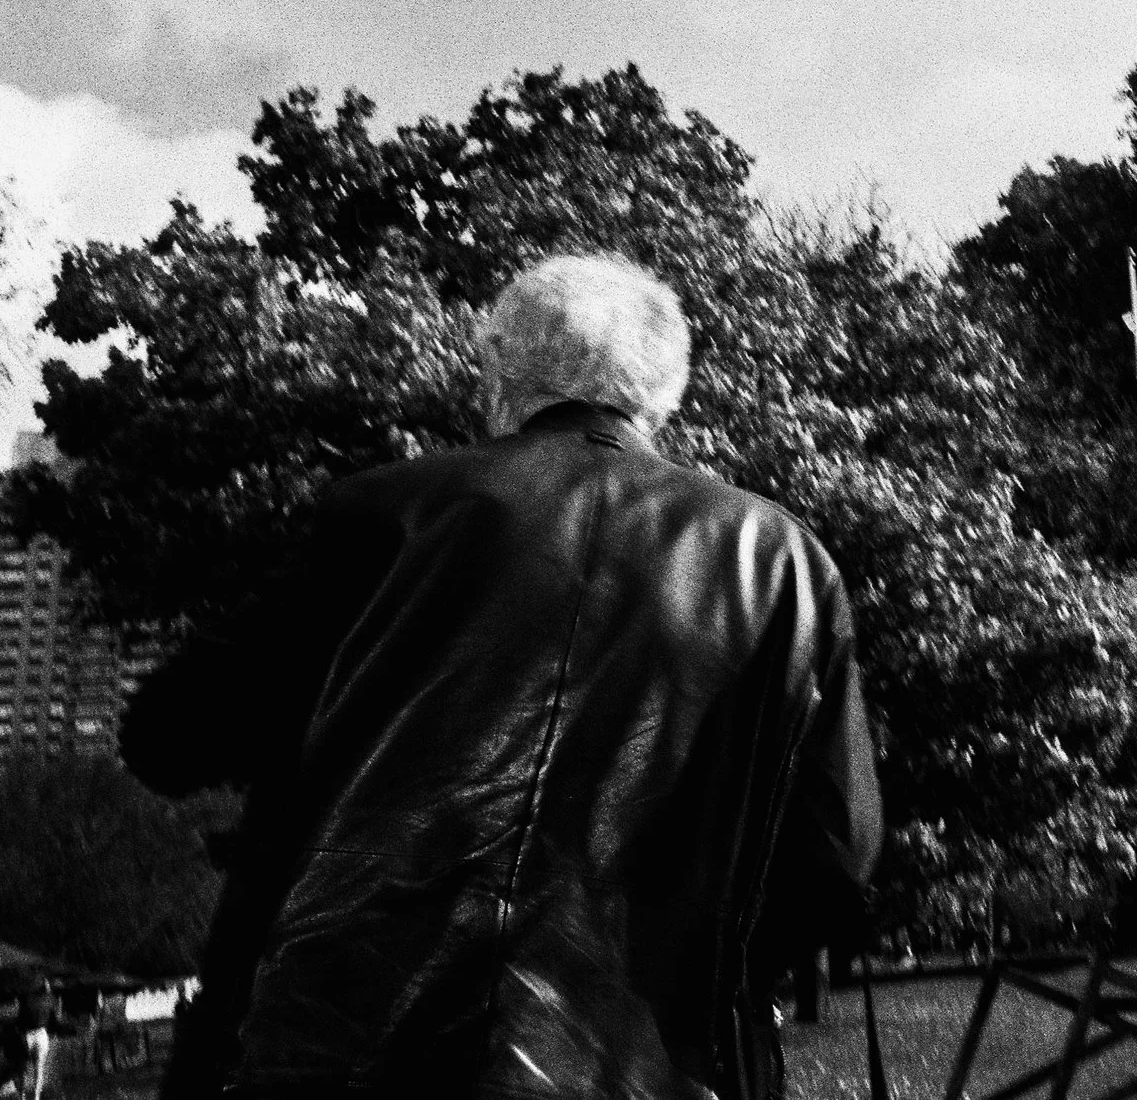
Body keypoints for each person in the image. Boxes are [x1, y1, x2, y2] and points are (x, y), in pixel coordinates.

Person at [124, 253, 883, 1100]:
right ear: (665, 394)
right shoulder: (780, 560)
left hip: (344, 1054)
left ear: (496, 373)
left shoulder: (377, 514)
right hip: (649, 1068)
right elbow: (836, 865)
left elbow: (163, 735)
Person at [16, 975, 57, 1100]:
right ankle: (36, 1097)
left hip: (27, 1034)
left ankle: (22, 1097)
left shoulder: (27, 999)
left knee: (23, 1069)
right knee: (39, 1069)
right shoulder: (50, 1000)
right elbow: (54, 1019)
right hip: (41, 1034)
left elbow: (20, 1018)